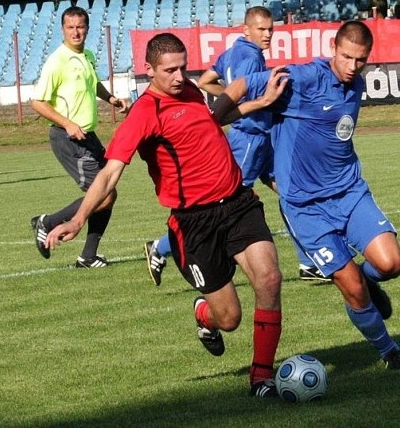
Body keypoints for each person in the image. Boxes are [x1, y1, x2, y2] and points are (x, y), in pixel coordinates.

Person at [44, 32, 288, 397]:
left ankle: (262, 377)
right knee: (230, 318)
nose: (179, 76)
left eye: (182, 67)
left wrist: (260, 103)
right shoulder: (145, 113)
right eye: (169, 70)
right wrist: (78, 219)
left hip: (237, 203)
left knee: (269, 279)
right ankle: (205, 315)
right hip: (195, 223)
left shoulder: (188, 90)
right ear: (149, 70)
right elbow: (110, 172)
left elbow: (212, 119)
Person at [217, 21, 400, 370]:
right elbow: (244, 84)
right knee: (349, 285)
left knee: (391, 263)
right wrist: (214, 116)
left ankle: (368, 280)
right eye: (347, 57)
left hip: (350, 192)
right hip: (306, 208)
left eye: (361, 60)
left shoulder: (355, 84)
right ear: (333, 49)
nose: (352, 67)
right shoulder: (303, 78)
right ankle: (389, 351)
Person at [143, 7, 329, 286]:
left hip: (260, 139)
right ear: (246, 29)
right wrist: (239, 103)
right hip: (249, 139)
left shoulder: (231, 52)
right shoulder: (251, 57)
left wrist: (228, 98)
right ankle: (161, 246)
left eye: (270, 28)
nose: (267, 34)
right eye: (261, 29)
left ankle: (309, 261)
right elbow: (246, 89)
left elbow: (207, 81)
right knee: (220, 206)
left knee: (292, 194)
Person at [30, 6, 128, 268]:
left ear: (87, 28)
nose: (76, 31)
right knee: (104, 195)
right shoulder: (57, 61)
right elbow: (37, 102)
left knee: (108, 193)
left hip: (88, 135)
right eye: (70, 27)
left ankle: (88, 256)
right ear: (62, 29)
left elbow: (93, 82)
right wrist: (68, 123)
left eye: (80, 26)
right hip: (67, 137)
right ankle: (47, 222)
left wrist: (110, 98)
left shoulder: (87, 55)